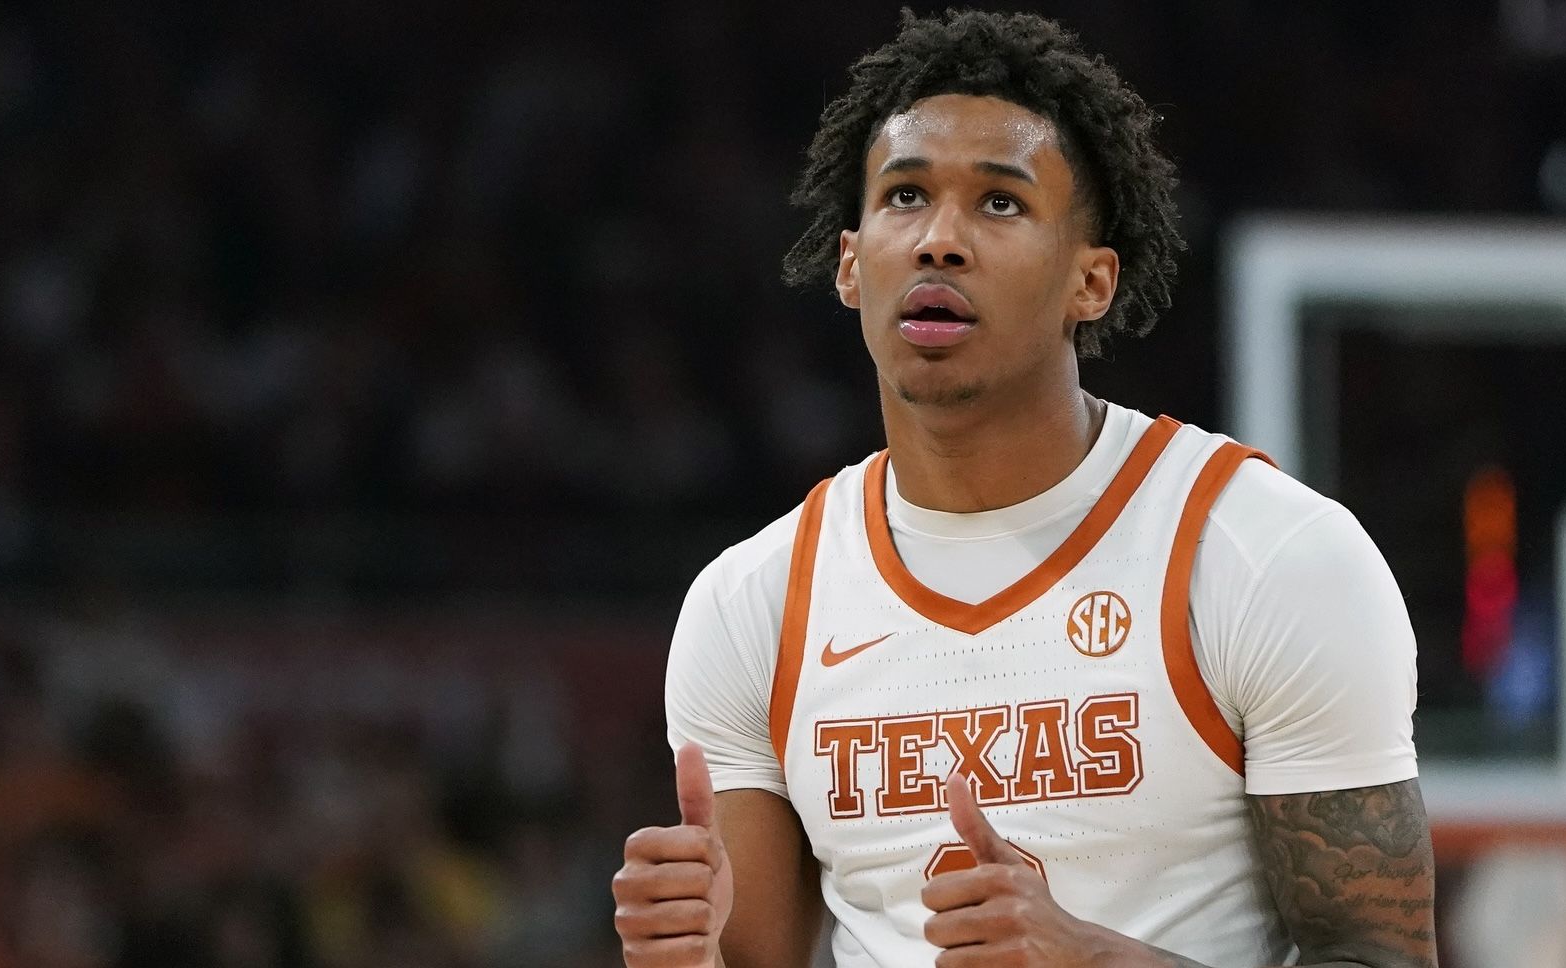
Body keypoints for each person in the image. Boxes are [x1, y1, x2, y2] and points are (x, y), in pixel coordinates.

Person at [613, 10, 1432, 967]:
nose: (939, 240)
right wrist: (686, 961)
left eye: (999, 203)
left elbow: (1383, 957)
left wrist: (1091, 958)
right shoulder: (752, 603)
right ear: (850, 265)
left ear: (1091, 283)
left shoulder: (1264, 554)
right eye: (905, 197)